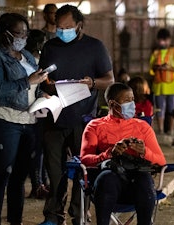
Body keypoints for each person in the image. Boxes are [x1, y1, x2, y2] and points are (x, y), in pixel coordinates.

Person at [38, 4, 114, 225]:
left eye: (67, 27)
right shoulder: (50, 46)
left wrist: (92, 83)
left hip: (83, 120)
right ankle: (53, 216)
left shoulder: (95, 47)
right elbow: (45, 79)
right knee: (54, 172)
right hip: (54, 118)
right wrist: (48, 88)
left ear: (79, 25)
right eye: (59, 27)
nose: (62, 32)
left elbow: (109, 79)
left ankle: (80, 214)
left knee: (83, 171)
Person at [0, 13, 50, 225]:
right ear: (6, 34)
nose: (24, 38)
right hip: (3, 120)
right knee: (2, 175)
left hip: (29, 121)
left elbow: (34, 86)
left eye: (26, 33)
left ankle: (15, 220)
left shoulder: (27, 56)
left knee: (19, 177)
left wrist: (42, 95)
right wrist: (27, 81)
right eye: (20, 33)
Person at [80, 82, 166, 225]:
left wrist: (144, 152)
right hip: (108, 184)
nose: (132, 104)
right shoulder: (95, 126)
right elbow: (85, 159)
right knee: (107, 177)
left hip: (136, 184)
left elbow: (161, 161)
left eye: (132, 99)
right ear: (112, 104)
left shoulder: (142, 127)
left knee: (144, 179)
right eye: (126, 101)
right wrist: (108, 154)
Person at [24, 28, 50, 199]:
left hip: (37, 107)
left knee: (39, 149)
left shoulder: (27, 61)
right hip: (33, 110)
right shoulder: (32, 63)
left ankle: (40, 183)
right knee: (37, 149)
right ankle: (38, 184)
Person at [149, 28, 174, 136]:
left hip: (172, 86)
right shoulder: (155, 53)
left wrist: (168, 67)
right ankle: (161, 131)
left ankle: (171, 131)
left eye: (165, 40)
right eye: (161, 40)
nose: (163, 42)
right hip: (158, 86)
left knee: (171, 109)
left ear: (169, 40)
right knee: (160, 109)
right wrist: (157, 67)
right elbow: (151, 70)